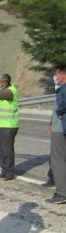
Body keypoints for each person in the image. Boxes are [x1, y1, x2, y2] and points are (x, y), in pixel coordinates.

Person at [46, 63, 66, 204]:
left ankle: (61, 193)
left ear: (62, 74)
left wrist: (58, 114)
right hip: (59, 126)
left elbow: (60, 107)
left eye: (57, 74)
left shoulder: (63, 89)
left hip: (61, 128)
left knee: (58, 160)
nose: (55, 77)